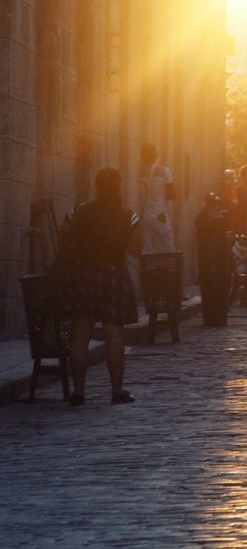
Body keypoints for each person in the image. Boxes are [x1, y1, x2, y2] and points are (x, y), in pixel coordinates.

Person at [61, 166, 141, 405]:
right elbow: (136, 249)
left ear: (96, 187)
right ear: (118, 187)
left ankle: (78, 393)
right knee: (113, 332)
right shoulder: (128, 216)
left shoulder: (77, 212)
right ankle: (117, 391)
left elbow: (64, 235)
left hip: (82, 274)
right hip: (112, 274)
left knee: (80, 333)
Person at [138, 142, 175, 254]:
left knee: (148, 250)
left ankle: (150, 271)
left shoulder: (140, 171)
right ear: (155, 155)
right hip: (159, 214)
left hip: (144, 215)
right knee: (168, 247)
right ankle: (167, 270)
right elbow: (172, 194)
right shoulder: (164, 170)